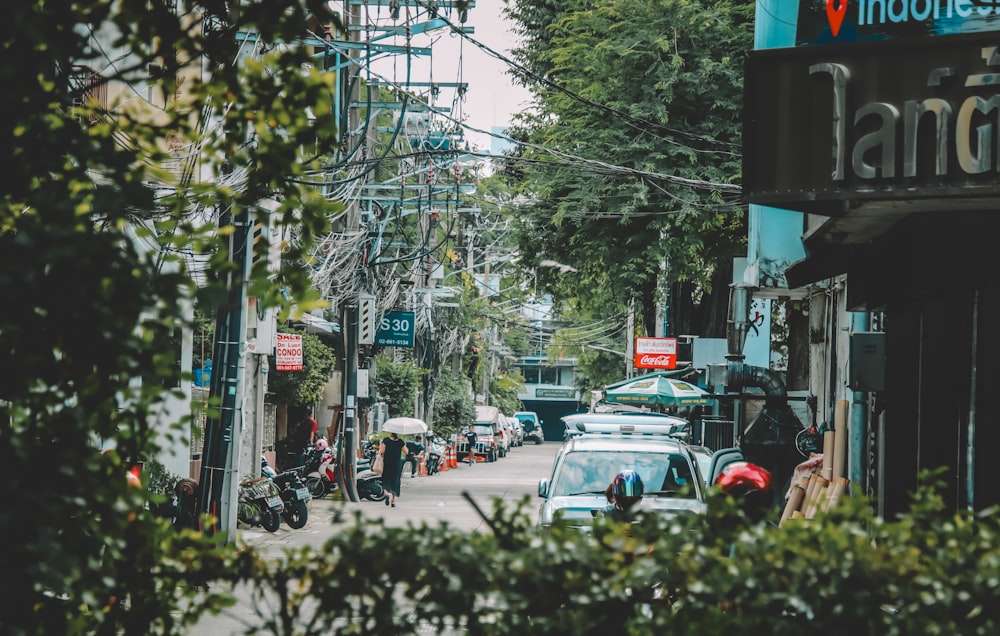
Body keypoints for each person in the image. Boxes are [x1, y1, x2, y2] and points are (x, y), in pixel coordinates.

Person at [379, 431, 406, 507]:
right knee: (395, 481)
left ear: (390, 433)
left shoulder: (386, 440)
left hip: (387, 463)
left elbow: (382, 451)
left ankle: (386, 494)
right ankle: (393, 501)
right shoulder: (400, 441)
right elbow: (406, 452)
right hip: (397, 464)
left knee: (386, 479)